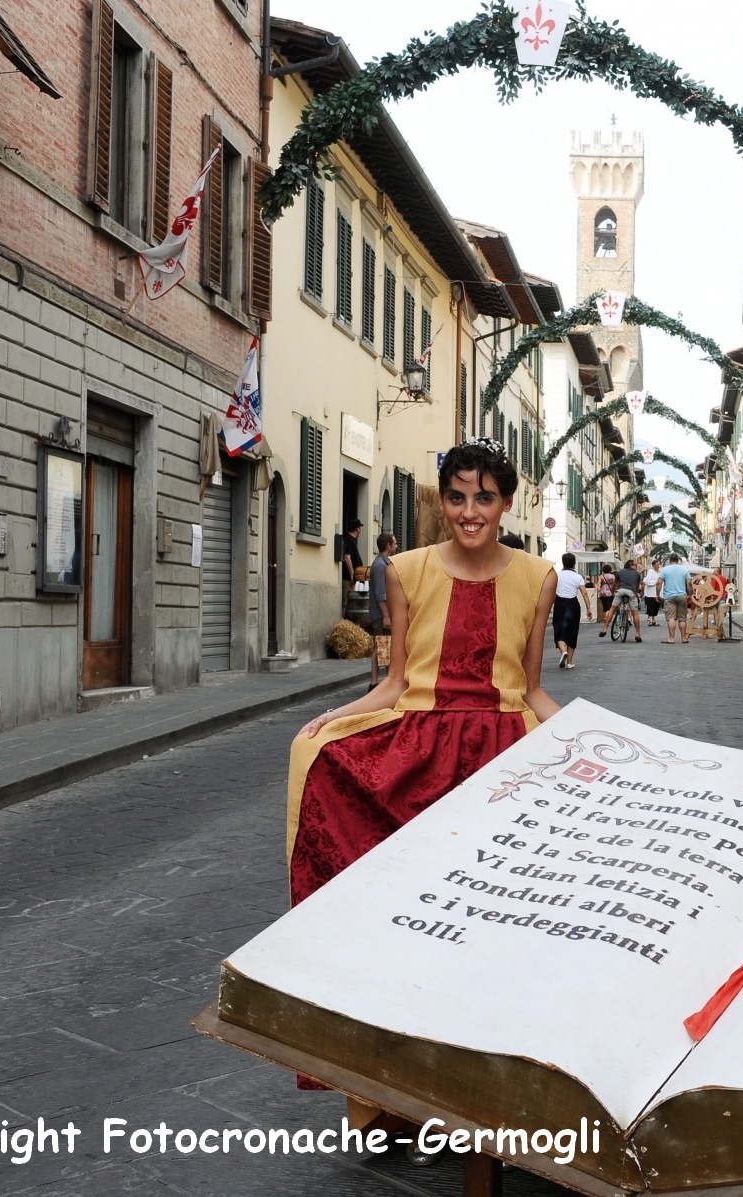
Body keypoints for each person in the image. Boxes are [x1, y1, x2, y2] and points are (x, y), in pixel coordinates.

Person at [287, 437, 557, 1130]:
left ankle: (480, 1091)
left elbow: (530, 689)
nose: (471, 512)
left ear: (505, 502)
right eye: (458, 497)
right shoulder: (405, 570)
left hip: (503, 763)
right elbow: (397, 681)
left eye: (485, 498)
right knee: (399, 925)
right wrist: (330, 721)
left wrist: (602, 744)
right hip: (415, 755)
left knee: (495, 932)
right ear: (444, 502)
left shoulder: (537, 575)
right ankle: (389, 1095)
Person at [366, 531, 398, 685]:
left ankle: (382, 683)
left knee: (383, 646)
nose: (396, 545)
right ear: (388, 546)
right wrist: (386, 616)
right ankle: (376, 683)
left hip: (383, 614)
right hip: (381, 615)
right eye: (395, 543)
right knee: (382, 647)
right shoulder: (380, 566)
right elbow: (380, 594)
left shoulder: (385, 563)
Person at [553, 551, 587, 669]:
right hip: (573, 605)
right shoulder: (578, 577)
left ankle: (563, 652)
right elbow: (584, 593)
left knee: (559, 630)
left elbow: (551, 592)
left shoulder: (556, 575)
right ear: (574, 563)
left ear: (563, 562)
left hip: (560, 604)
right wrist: (588, 609)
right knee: (572, 632)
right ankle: (570, 662)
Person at [659, 553, 694, 643]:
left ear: (670, 560)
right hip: (682, 595)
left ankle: (671, 638)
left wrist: (657, 594)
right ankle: (684, 638)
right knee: (682, 618)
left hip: (669, 596)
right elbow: (689, 584)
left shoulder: (664, 570)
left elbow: (659, 583)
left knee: (671, 618)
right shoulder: (684, 570)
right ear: (678, 560)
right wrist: (690, 595)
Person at [613, 558, 645, 642]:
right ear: (631, 565)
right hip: (631, 593)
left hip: (620, 592)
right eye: (635, 565)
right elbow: (637, 585)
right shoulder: (637, 574)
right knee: (635, 614)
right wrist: (637, 592)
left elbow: (616, 583)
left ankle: (604, 628)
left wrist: (613, 592)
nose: (636, 566)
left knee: (612, 609)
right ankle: (637, 633)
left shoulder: (621, 572)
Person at [596, 566, 617, 637]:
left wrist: (598, 588)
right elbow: (615, 584)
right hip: (611, 592)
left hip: (603, 592)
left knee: (604, 607)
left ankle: (606, 618)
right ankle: (608, 618)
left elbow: (599, 584)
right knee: (609, 606)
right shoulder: (613, 576)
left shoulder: (601, 576)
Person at [642, 560, 663, 626]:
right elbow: (647, 581)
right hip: (651, 592)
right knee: (651, 606)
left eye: (658, 564)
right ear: (653, 565)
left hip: (658, 592)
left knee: (656, 606)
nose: (657, 565)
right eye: (656, 564)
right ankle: (651, 619)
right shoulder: (651, 571)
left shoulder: (660, 572)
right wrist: (655, 583)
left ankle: (654, 619)